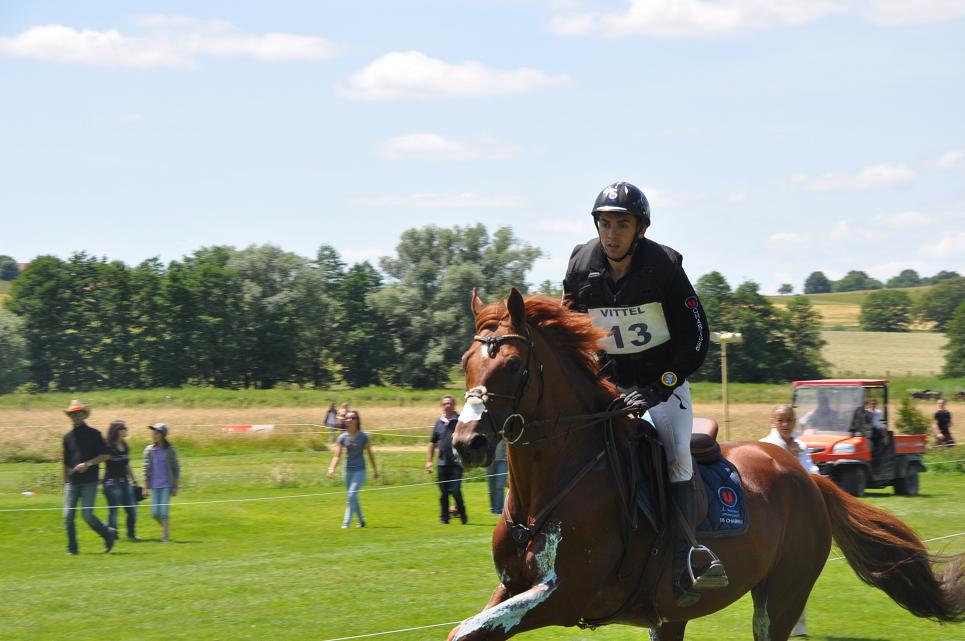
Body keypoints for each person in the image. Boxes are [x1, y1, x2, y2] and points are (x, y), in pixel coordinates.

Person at [562, 181, 721, 606]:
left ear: (640, 230)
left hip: (662, 385)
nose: (611, 233)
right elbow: (570, 329)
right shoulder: (581, 265)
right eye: (605, 223)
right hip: (609, 388)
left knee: (676, 454)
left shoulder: (664, 266)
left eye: (622, 224)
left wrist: (661, 386)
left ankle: (688, 557)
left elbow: (697, 337)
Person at [759, 404, 818, 636]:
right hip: (777, 519)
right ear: (773, 421)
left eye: (789, 420)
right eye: (781, 420)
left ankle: (798, 627)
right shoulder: (766, 446)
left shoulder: (800, 447)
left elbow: (814, 474)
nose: (785, 424)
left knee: (799, 574)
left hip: (800, 518)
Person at [61, 399, 115, 554]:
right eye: (72, 414)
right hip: (72, 482)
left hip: (89, 481)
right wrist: (64, 483)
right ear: (70, 416)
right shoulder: (67, 437)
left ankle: (107, 533)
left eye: (78, 413)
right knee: (67, 516)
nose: (75, 416)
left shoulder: (94, 434)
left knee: (87, 515)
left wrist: (88, 464)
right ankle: (72, 549)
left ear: (84, 415)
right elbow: (64, 463)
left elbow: (106, 455)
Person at [327, 410, 378, 528]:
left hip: (360, 470)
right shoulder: (342, 437)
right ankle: (361, 521)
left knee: (351, 495)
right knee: (353, 496)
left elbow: (370, 454)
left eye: (353, 418)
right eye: (348, 418)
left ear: (357, 421)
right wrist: (331, 468)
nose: (350, 420)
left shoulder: (363, 437)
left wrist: (375, 471)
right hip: (347, 471)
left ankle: (346, 523)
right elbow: (337, 455)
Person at [426, 395, 467, 524]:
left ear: (454, 405)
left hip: (456, 464)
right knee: (443, 493)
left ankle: (462, 513)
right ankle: (444, 519)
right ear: (442, 406)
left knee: (455, 490)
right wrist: (429, 461)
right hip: (442, 464)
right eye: (445, 404)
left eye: (449, 403)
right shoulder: (439, 423)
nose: (447, 405)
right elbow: (432, 442)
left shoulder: (460, 421)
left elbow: (466, 441)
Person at [103, 420, 139, 541]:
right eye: (123, 428)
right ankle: (113, 536)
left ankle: (131, 534)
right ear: (117, 431)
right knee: (114, 511)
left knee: (132, 510)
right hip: (112, 483)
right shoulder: (108, 446)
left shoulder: (125, 446)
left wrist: (134, 480)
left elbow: (127, 465)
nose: (126, 430)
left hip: (125, 482)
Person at [143, 423, 180, 542]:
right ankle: (166, 528)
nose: (154, 435)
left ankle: (165, 535)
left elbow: (176, 468)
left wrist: (175, 486)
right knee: (155, 513)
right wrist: (145, 486)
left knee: (164, 512)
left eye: (157, 433)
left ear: (163, 435)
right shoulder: (149, 450)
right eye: (153, 433)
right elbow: (146, 469)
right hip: (154, 485)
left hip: (166, 485)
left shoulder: (170, 450)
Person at [486, 439, 508, 515]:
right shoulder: (488, 430)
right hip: (490, 461)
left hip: (503, 460)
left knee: (499, 487)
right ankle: (493, 509)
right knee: (491, 488)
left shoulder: (504, 429)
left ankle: (499, 510)